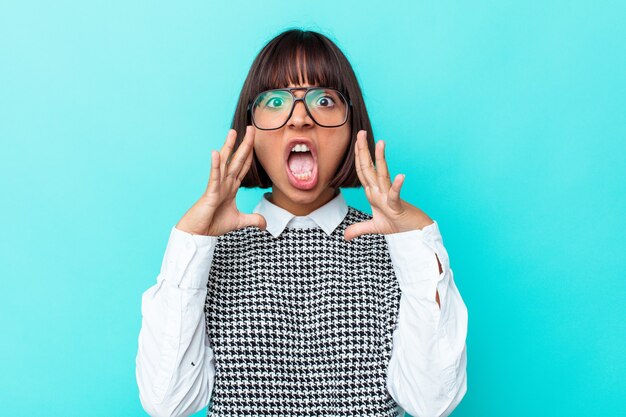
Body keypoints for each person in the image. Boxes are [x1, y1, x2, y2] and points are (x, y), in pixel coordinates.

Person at [135, 28, 468, 417]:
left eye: (324, 100)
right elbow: (167, 403)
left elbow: (432, 403)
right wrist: (190, 241)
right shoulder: (210, 255)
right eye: (275, 101)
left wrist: (415, 240)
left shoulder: (399, 252)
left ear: (352, 127)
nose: (299, 119)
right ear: (250, 131)